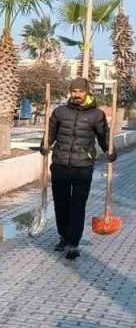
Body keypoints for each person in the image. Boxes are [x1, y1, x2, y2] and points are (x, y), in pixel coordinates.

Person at [42, 77, 116, 258]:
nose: (77, 94)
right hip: (60, 164)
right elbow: (49, 134)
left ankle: (73, 243)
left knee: (78, 204)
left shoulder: (96, 115)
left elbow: (103, 137)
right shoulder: (60, 112)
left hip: (83, 166)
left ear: (87, 92)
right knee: (61, 203)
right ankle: (63, 237)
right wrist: (44, 146)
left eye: (80, 91)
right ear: (70, 92)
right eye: (74, 91)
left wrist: (110, 150)